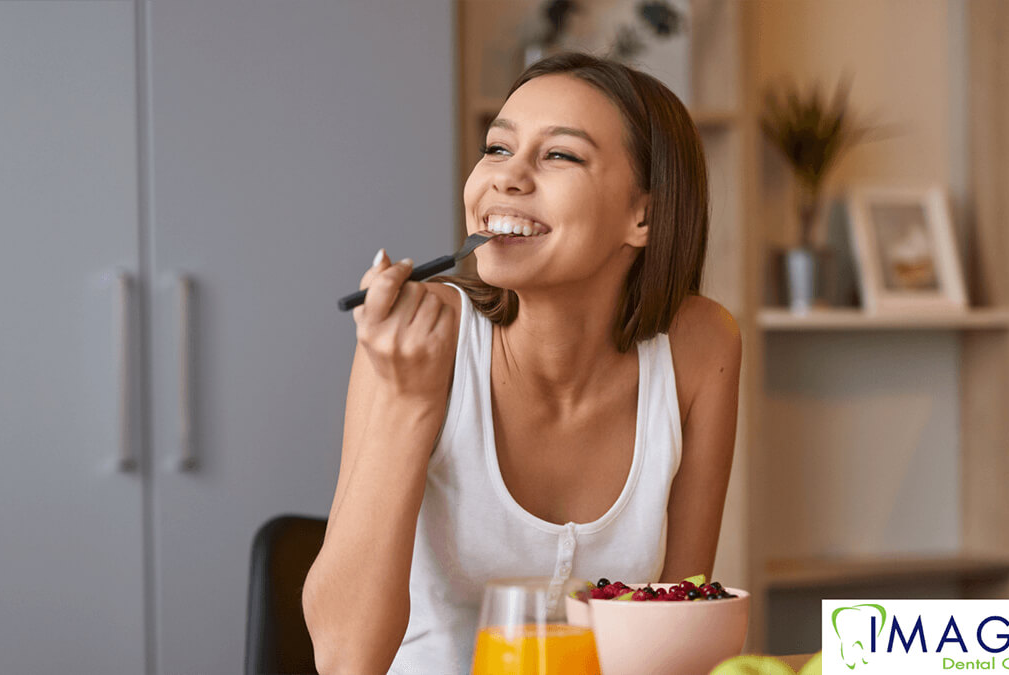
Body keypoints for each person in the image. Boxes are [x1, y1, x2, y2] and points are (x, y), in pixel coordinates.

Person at [302, 51, 741, 675]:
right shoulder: (419, 336)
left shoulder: (701, 345)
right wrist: (410, 400)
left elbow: (678, 624)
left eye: (559, 154)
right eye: (498, 148)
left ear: (642, 214)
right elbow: (344, 659)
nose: (507, 179)